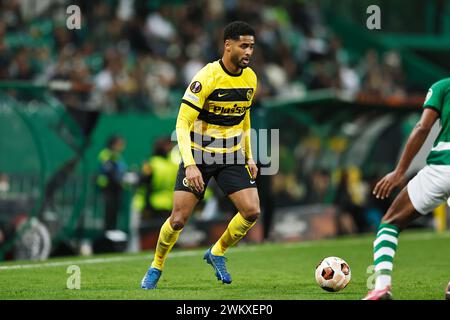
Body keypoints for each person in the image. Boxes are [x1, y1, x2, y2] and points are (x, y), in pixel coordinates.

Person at [141, 21, 259, 289]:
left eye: (251, 46)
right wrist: (191, 165)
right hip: (199, 157)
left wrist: (249, 156)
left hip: (230, 156)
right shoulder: (206, 78)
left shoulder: (250, 78)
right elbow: (181, 124)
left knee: (251, 211)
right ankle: (156, 265)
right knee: (178, 219)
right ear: (228, 45)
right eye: (244, 45)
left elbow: (244, 118)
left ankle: (217, 252)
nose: (249, 51)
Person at [363, 78, 450, 300]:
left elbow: (422, 127)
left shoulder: (443, 87)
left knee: (390, 221)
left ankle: (381, 286)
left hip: (442, 168)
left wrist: (400, 171)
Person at [96, 135, 127, 232]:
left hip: (116, 189)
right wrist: (119, 179)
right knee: (108, 214)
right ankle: (106, 234)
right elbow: (108, 170)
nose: (121, 146)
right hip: (107, 188)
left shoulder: (117, 156)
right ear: (113, 144)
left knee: (114, 213)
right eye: (119, 144)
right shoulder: (105, 154)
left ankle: (112, 233)